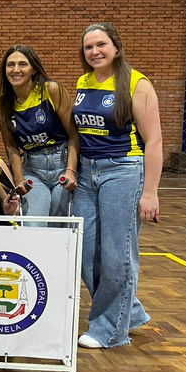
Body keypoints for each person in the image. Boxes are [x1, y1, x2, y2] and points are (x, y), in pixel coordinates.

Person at [72, 22, 162, 349]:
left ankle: (110, 330)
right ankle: (129, 311)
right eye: (88, 47)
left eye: (101, 45)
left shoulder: (137, 84)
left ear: (116, 47)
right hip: (87, 173)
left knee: (117, 256)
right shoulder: (84, 82)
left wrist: (150, 192)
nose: (95, 51)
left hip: (123, 171)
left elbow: (153, 141)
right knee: (84, 254)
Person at [0, 44, 80, 221]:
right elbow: (10, 145)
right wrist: (18, 179)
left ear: (33, 69)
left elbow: (74, 134)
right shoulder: (0, 99)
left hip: (62, 164)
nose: (15, 69)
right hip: (33, 169)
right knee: (34, 226)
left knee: (60, 229)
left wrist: (71, 171)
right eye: (10, 65)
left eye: (22, 64)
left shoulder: (51, 90)